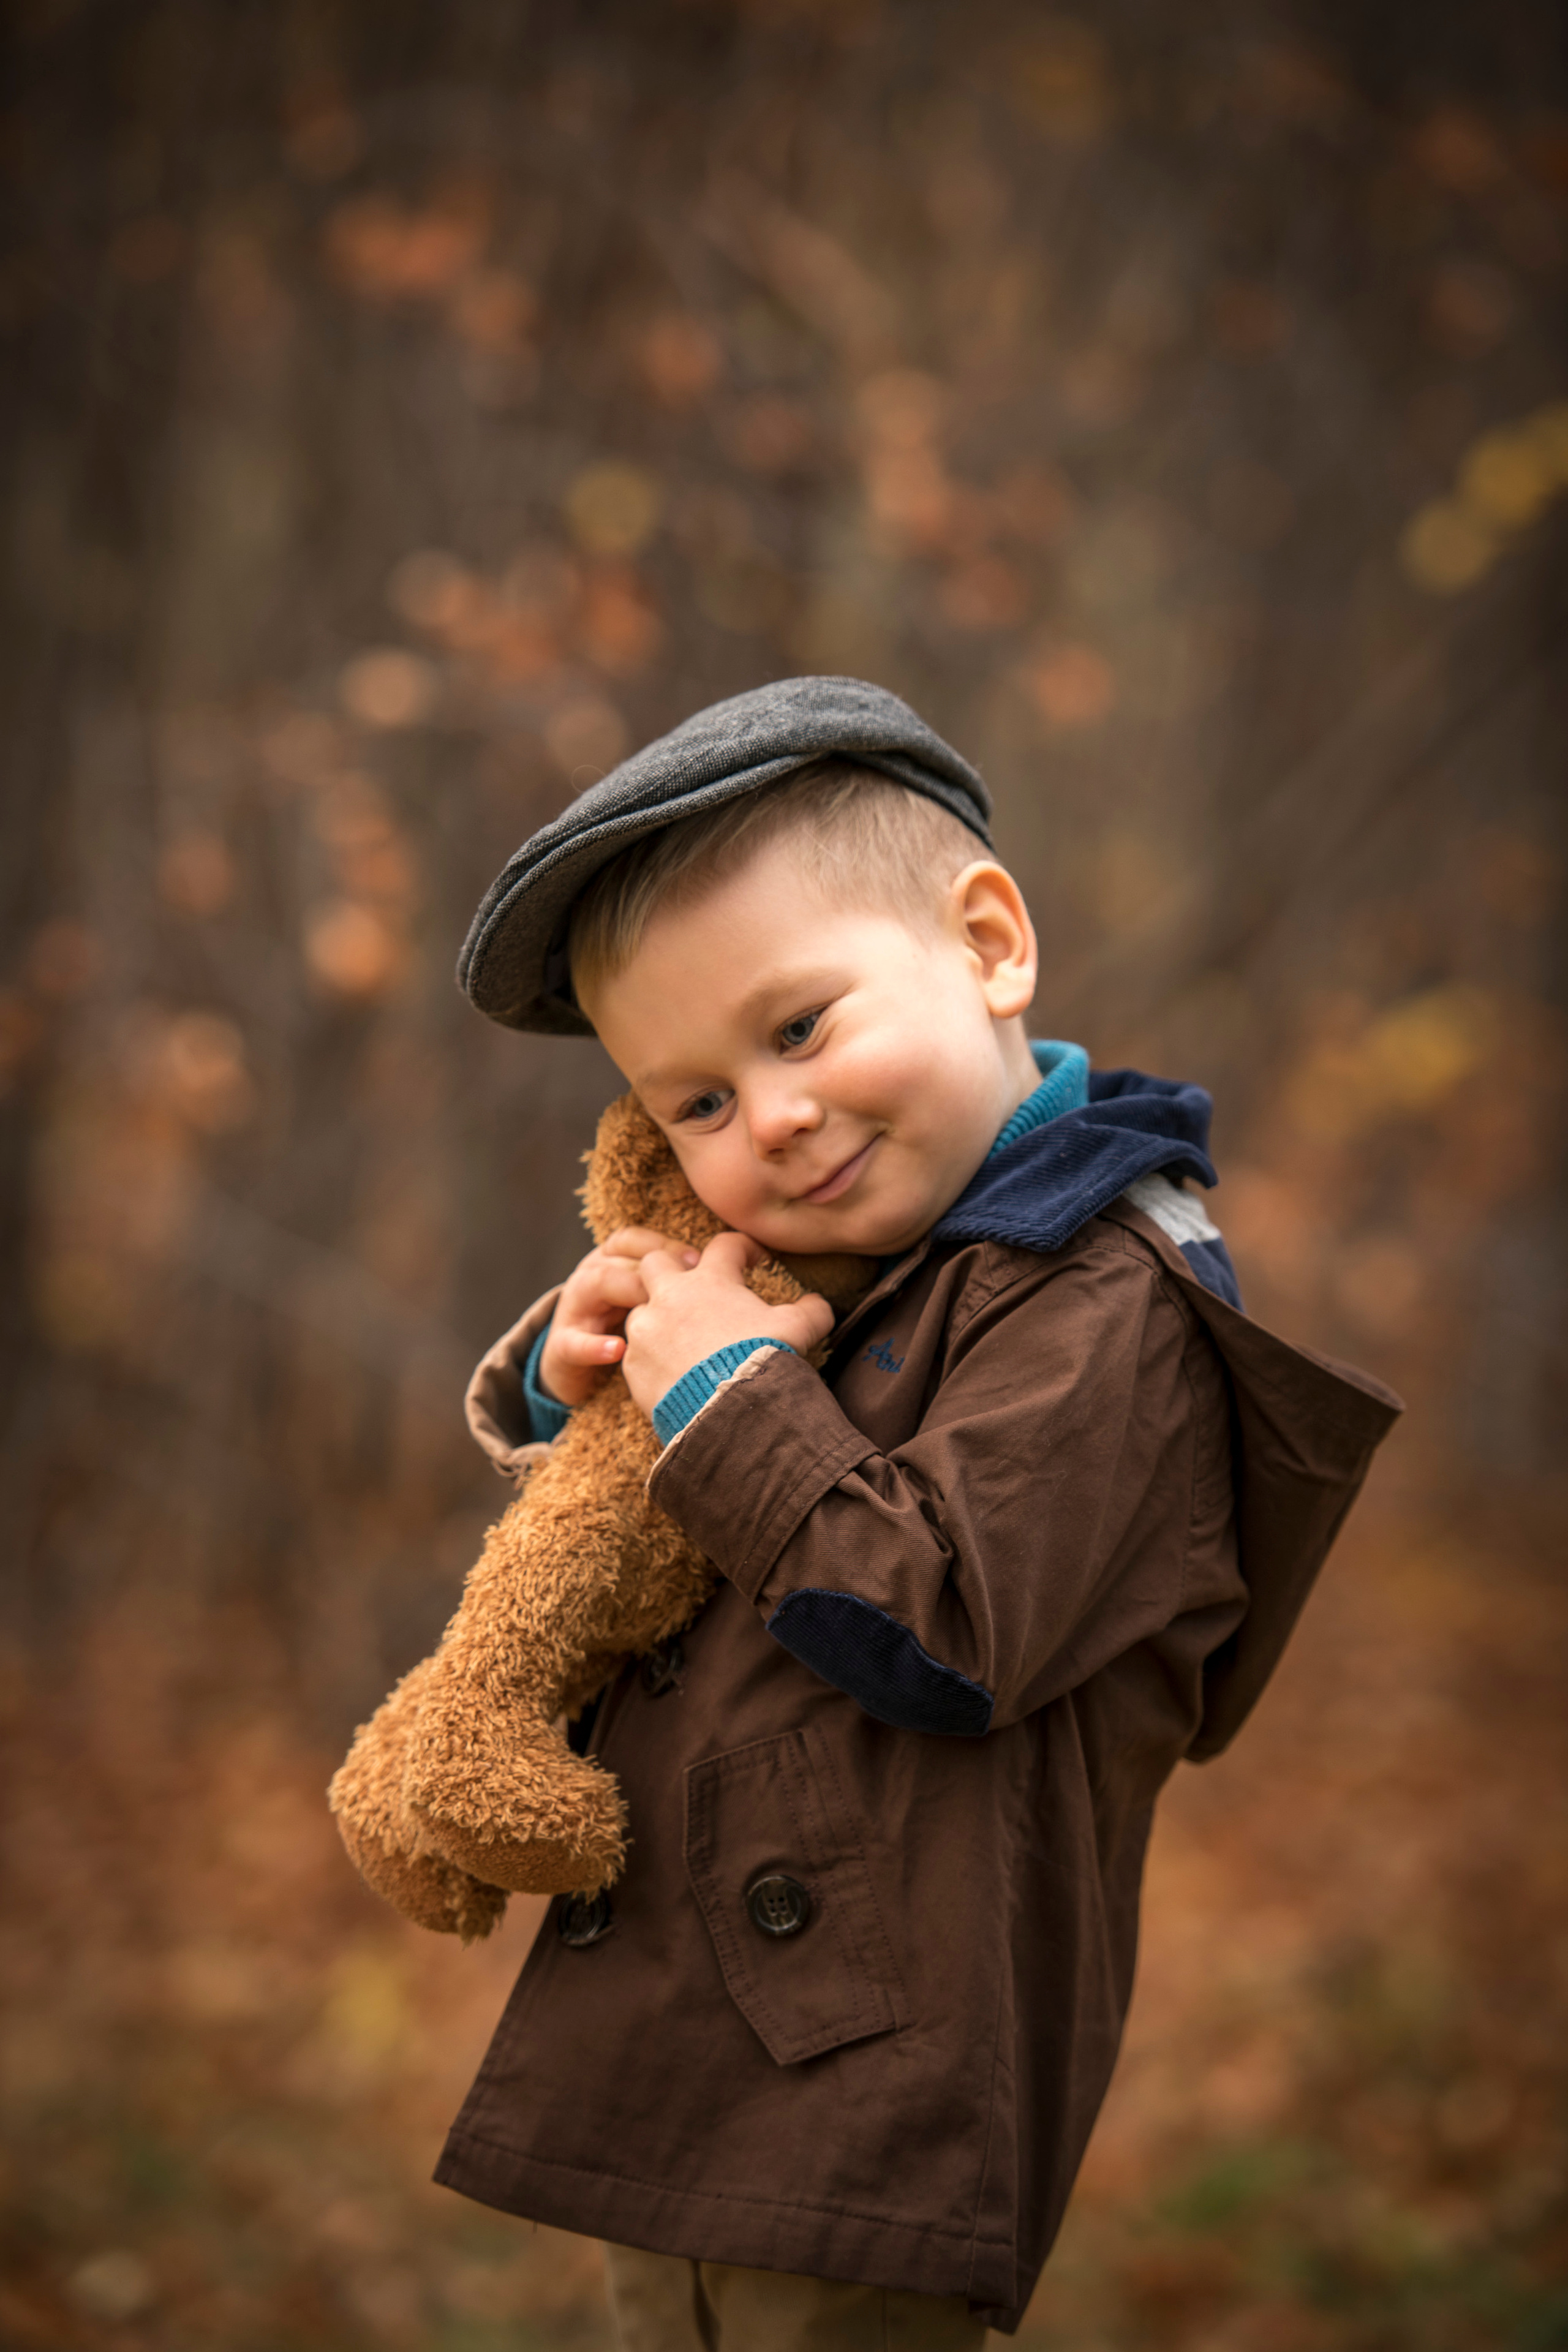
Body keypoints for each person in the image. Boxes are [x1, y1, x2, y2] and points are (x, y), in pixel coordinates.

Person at [437, 677, 1401, 2348]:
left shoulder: (1111, 1304)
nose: (774, 1120)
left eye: (799, 1029)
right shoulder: (880, 1262)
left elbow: (936, 1618)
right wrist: (589, 1372)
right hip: (704, 2031)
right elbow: (680, 1538)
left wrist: (726, 1396)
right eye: (700, 1105)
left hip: (870, 2084)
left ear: (988, 944)